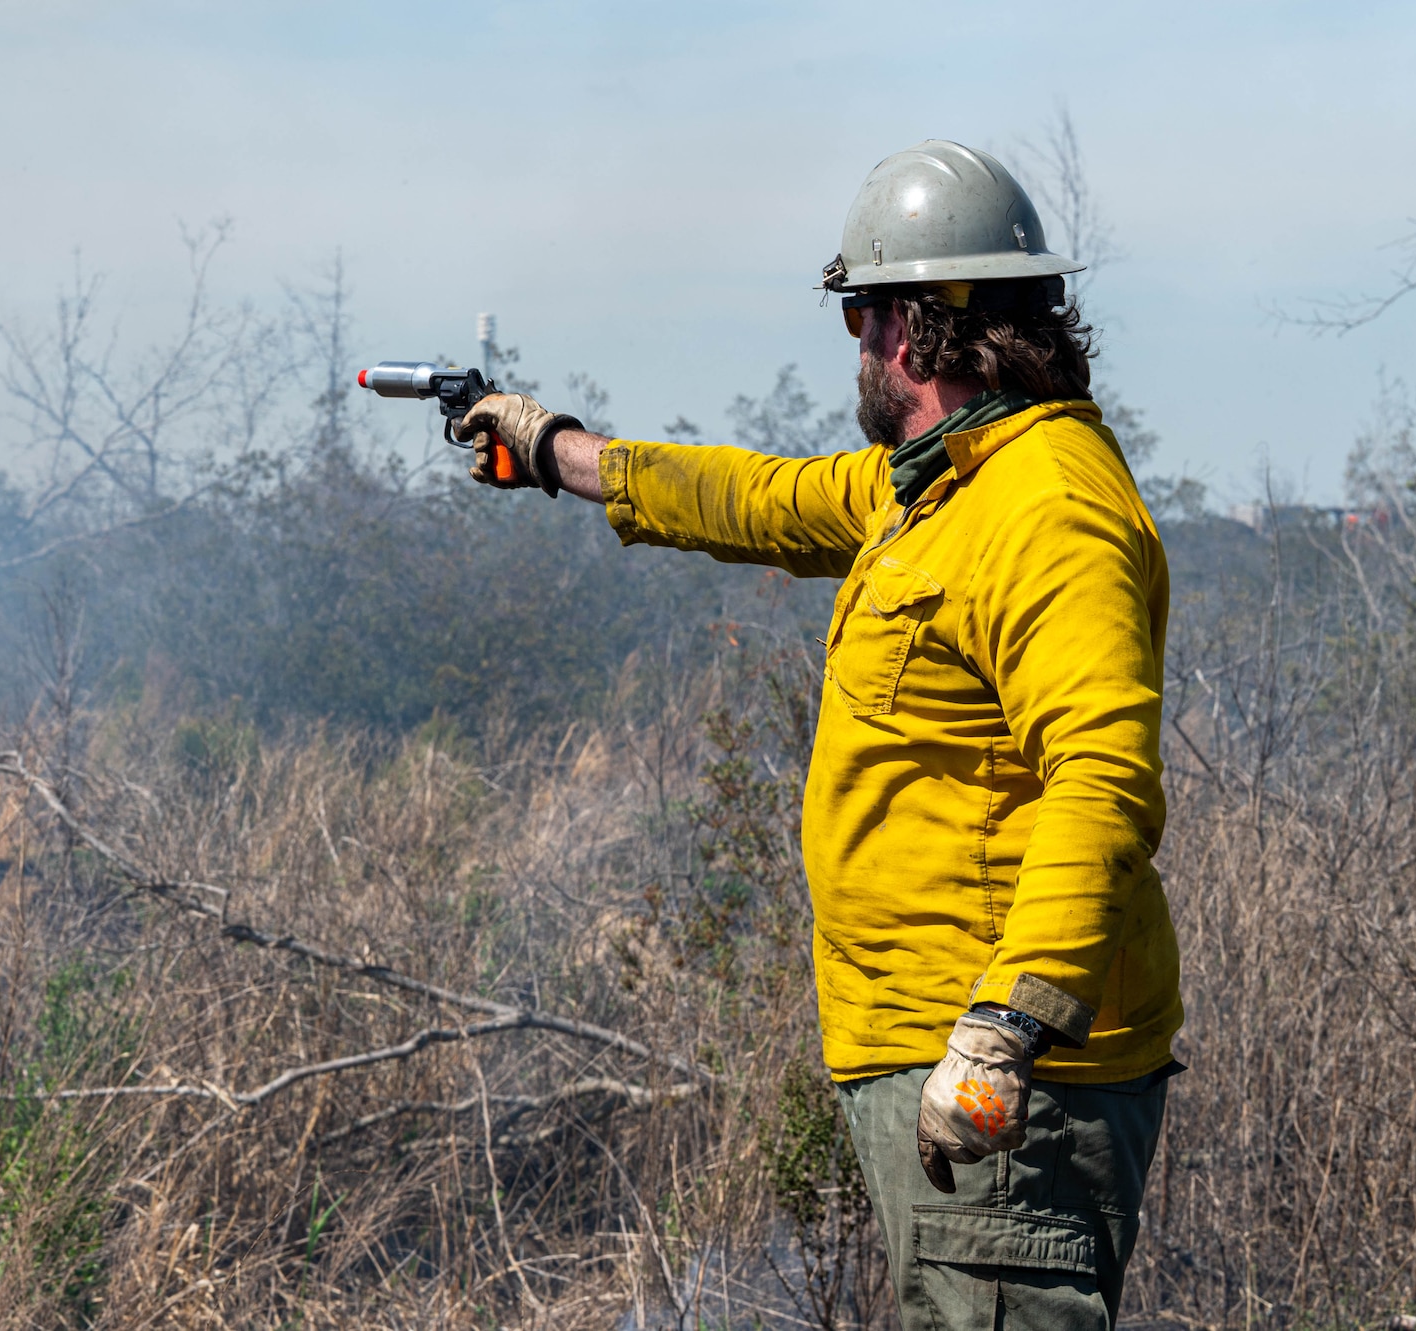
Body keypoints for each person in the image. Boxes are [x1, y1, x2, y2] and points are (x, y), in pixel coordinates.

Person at [456, 139, 1182, 1331]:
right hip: (933, 1048)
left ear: (912, 326)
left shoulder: (1044, 508)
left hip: (998, 1068)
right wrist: (550, 449)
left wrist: (1004, 1027)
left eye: (857, 315)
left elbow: (1099, 776)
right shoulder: (938, 485)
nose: (852, 346)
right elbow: (754, 496)